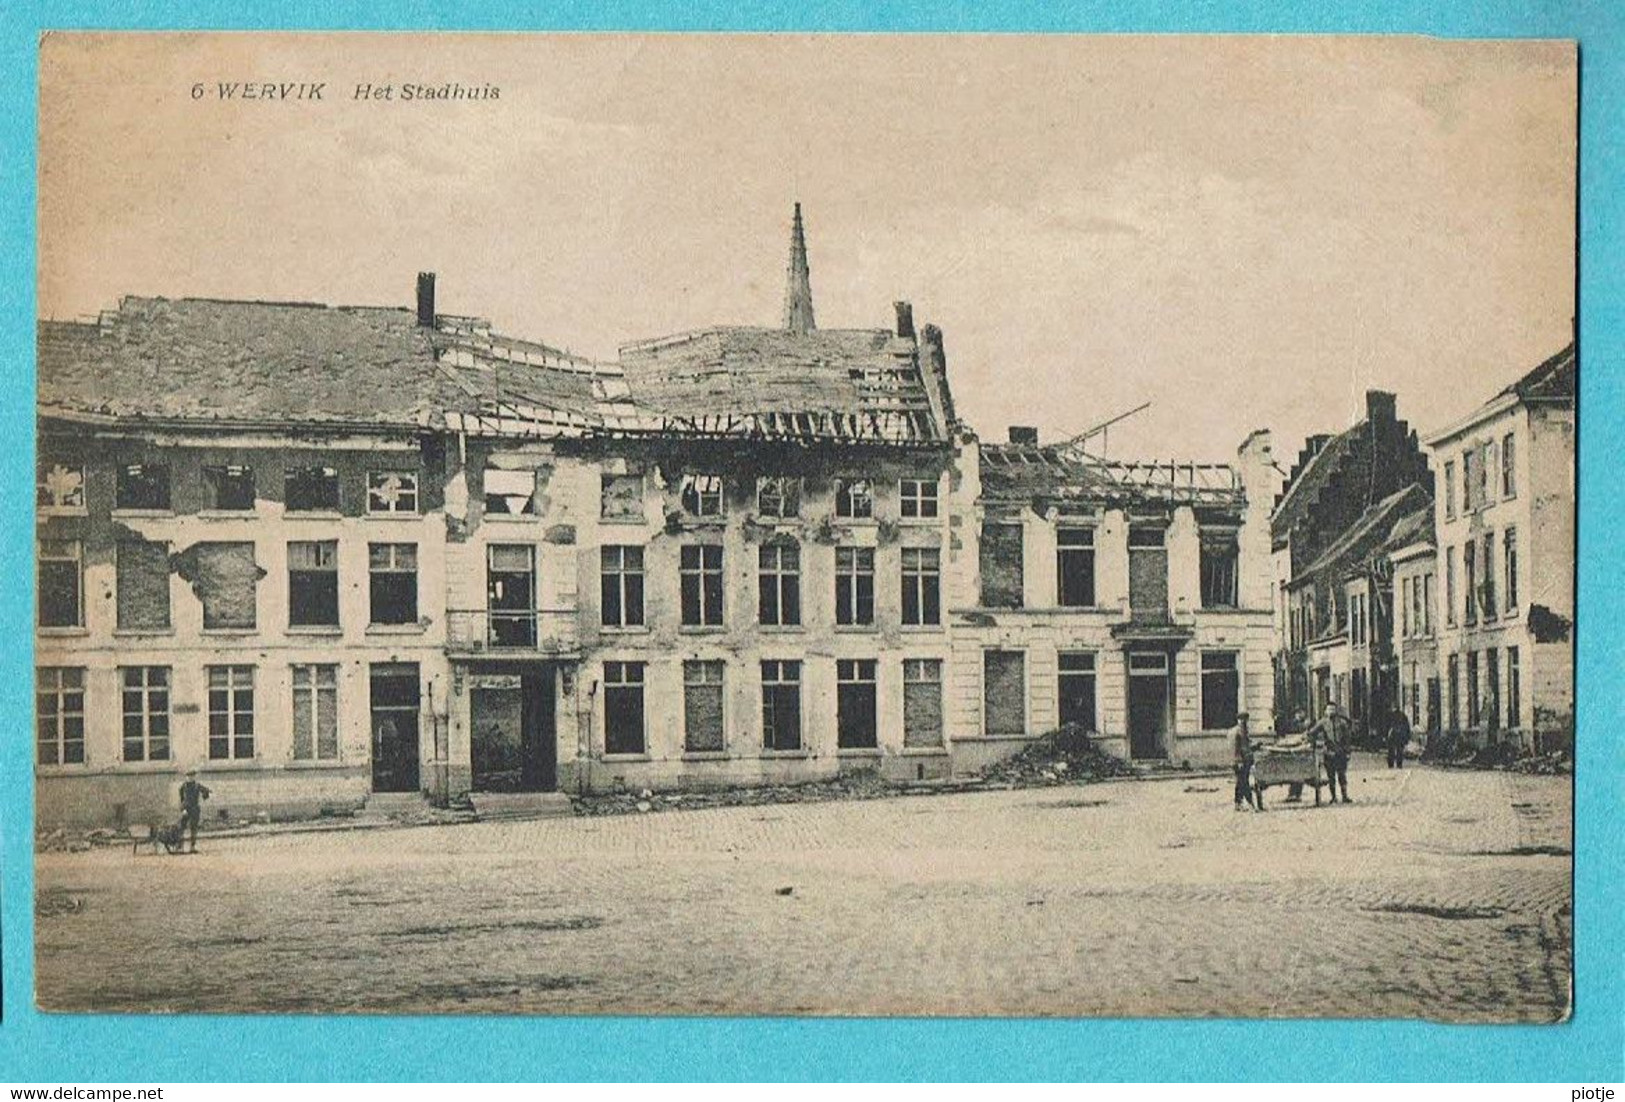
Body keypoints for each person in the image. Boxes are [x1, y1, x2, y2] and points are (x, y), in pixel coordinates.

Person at [1319, 700, 1353, 804]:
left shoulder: (1342, 723)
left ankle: (1345, 796)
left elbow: (1347, 739)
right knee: (1331, 776)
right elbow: (1313, 732)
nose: (1331, 711)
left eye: (1333, 709)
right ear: (1325, 711)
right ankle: (1333, 797)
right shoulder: (1323, 722)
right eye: (1329, 709)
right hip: (1329, 754)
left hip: (1340, 753)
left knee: (1342, 775)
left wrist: (1348, 752)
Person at [178, 769, 211, 854]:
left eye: (192, 776)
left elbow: (205, 791)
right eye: (188, 776)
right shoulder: (183, 787)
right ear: (186, 777)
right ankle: (180, 847)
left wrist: (206, 794)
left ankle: (192, 847)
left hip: (195, 809)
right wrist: (183, 809)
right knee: (182, 827)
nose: (190, 778)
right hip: (186, 809)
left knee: (194, 828)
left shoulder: (197, 786)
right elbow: (181, 800)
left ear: (194, 777)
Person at [1232, 712, 1259, 812]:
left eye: (1246, 720)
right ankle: (1251, 804)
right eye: (1243, 719)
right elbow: (1236, 748)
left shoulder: (1243, 731)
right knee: (1244, 783)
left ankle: (1238, 803)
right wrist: (1238, 761)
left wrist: (1255, 746)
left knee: (1240, 783)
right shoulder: (1238, 732)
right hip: (1241, 761)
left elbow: (1247, 746)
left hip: (1244, 760)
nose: (1245, 722)